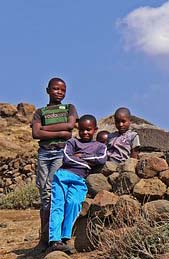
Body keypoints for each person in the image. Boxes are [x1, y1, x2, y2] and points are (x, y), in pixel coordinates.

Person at [31, 77, 78, 250]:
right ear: (48, 90)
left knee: (55, 191)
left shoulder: (69, 108)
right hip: (44, 154)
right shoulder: (40, 112)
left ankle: (56, 238)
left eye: (63, 90)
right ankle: (44, 239)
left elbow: (71, 126)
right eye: (56, 89)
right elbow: (36, 134)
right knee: (44, 194)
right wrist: (61, 131)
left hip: (60, 153)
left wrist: (45, 129)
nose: (59, 92)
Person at [48, 115, 107, 253]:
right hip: (62, 175)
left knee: (74, 202)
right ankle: (54, 240)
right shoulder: (72, 142)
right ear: (78, 129)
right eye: (82, 130)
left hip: (79, 180)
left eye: (88, 130)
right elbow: (67, 159)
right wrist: (86, 163)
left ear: (95, 130)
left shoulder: (100, 146)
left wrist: (81, 157)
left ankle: (65, 236)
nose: (85, 133)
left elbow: (101, 159)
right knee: (57, 205)